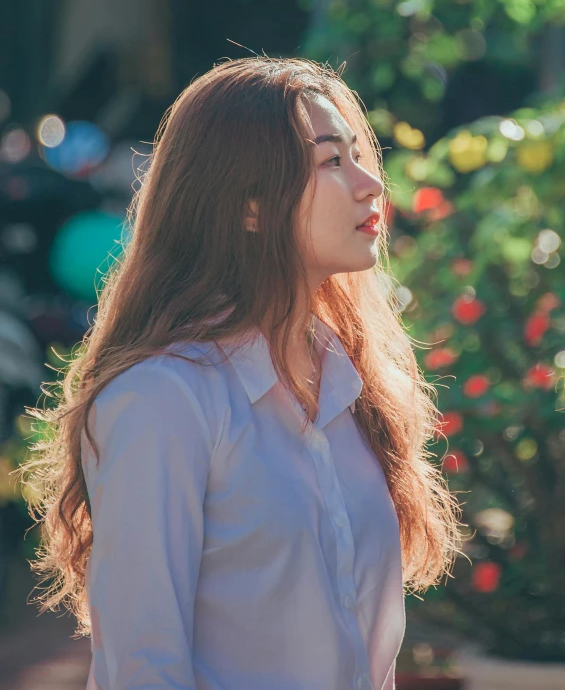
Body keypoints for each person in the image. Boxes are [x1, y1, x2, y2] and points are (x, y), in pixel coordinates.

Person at [18, 57, 463, 690]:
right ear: (250, 207)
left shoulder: (350, 385)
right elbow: (142, 669)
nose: (370, 184)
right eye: (332, 161)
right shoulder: (163, 399)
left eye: (360, 155)